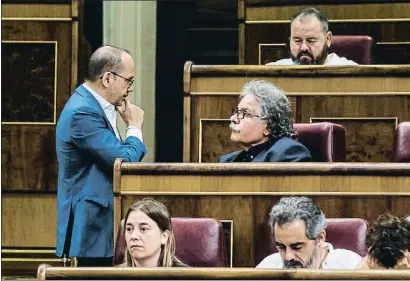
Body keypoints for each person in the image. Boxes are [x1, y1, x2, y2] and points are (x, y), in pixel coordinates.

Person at [56, 45, 147, 266]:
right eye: (129, 81)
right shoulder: (83, 112)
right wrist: (134, 127)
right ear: (107, 78)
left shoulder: (94, 106)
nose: (130, 89)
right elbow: (122, 163)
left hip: (98, 226)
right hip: (91, 228)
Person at [218, 80, 311, 162]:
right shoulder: (225, 161)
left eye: (245, 113)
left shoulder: (289, 153)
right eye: (237, 112)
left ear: (268, 127)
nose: (233, 118)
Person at [256, 196, 362, 269]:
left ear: (320, 238)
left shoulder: (350, 265)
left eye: (297, 247)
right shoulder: (268, 266)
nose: (288, 257)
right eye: (281, 247)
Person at [266, 7, 357, 66]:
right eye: (297, 40)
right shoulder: (273, 72)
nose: (303, 48)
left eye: (311, 40)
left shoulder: (350, 72)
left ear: (328, 39)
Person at [119, 198, 186, 267]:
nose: (133, 236)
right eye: (129, 229)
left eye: (143, 229)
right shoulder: (113, 275)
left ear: (164, 236)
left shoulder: (186, 276)